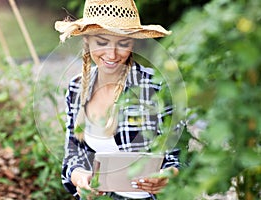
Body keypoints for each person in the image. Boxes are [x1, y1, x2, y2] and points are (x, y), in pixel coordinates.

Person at [55, 0, 180, 199]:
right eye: (102, 42)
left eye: (122, 43)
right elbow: (73, 154)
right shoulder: (76, 87)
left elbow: (179, 155)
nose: (112, 54)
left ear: (133, 43)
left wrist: (168, 176)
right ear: (87, 41)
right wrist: (81, 179)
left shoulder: (157, 87)